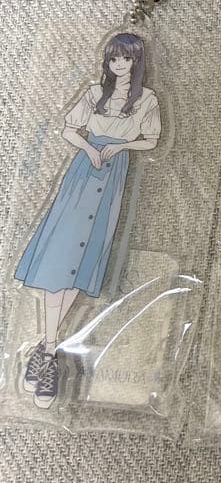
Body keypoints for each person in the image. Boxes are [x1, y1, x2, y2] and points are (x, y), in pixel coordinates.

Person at [15, 32, 160, 409]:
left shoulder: (146, 99)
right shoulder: (95, 93)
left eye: (126, 59)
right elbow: (69, 128)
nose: (119, 65)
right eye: (114, 59)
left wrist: (120, 145)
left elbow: (151, 139)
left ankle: (45, 351)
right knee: (58, 260)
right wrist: (88, 148)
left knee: (82, 263)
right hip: (83, 175)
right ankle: (49, 351)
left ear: (137, 62)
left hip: (113, 178)